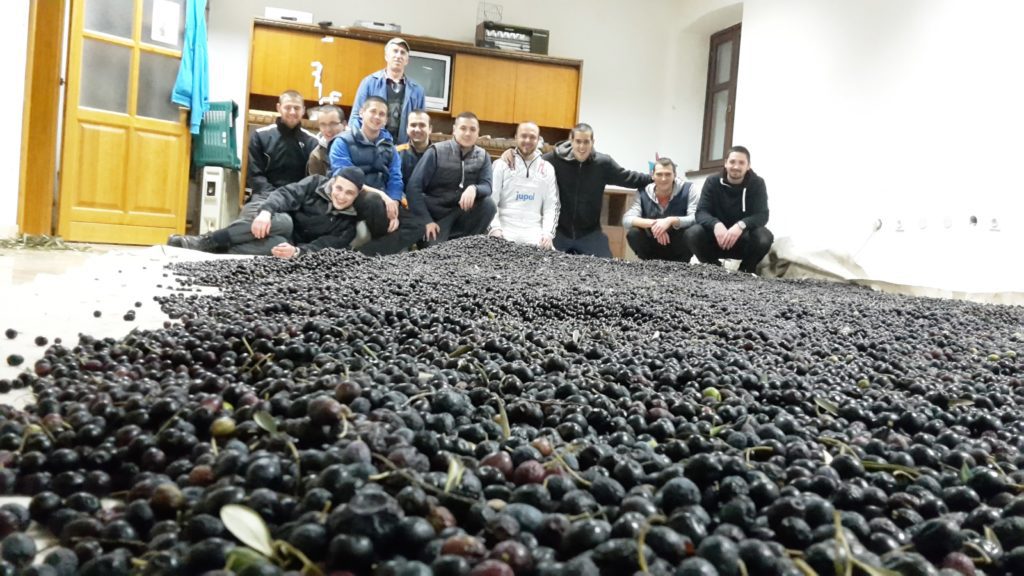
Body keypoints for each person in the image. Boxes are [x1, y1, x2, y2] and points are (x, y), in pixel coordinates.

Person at [507, 123, 651, 258]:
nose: (582, 147)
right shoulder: (554, 159)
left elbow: (629, 178)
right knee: (539, 262)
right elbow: (528, 164)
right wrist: (510, 154)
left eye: (586, 142)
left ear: (593, 142)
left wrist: (655, 178)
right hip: (558, 231)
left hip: (590, 234)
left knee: (607, 267)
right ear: (571, 140)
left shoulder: (603, 164)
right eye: (578, 141)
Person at [168, 167, 366, 258]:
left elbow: (323, 246)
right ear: (333, 183)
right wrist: (266, 212)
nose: (341, 196)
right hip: (281, 221)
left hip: (293, 243)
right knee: (283, 223)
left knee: (275, 246)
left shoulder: (348, 225)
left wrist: (298, 252)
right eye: (339, 188)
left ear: (356, 196)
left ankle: (217, 252)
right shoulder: (316, 183)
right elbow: (286, 194)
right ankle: (206, 241)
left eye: (349, 193)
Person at [330, 96, 423, 255]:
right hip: (355, 196)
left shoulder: (389, 147)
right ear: (362, 113)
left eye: (382, 114)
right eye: (373, 111)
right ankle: (387, 248)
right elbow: (344, 178)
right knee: (373, 200)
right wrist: (383, 196)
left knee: (418, 225)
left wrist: (394, 204)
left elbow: (395, 178)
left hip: (383, 200)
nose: (377, 117)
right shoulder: (342, 141)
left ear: (386, 120)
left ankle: (362, 254)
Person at [406, 112, 496, 245]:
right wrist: (426, 221)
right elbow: (413, 189)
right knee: (435, 253)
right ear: (454, 130)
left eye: (472, 129)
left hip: (462, 215)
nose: (467, 133)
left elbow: (487, 186)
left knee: (488, 205)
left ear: (478, 133)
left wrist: (474, 189)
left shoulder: (483, 156)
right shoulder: (436, 151)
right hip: (435, 218)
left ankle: (468, 244)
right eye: (463, 128)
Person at [684, 145, 774, 274]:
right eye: (732, 162)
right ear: (725, 163)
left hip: (742, 240)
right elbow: (701, 212)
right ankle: (713, 268)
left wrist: (741, 225)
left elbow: (762, 215)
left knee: (764, 237)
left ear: (748, 166)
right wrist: (716, 224)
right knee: (692, 233)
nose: (736, 166)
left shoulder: (757, 183)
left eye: (741, 163)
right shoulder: (712, 181)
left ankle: (745, 270)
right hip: (716, 238)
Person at [488, 121, 559, 248]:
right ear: (516, 137)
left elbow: (551, 206)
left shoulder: (548, 169)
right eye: (523, 136)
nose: (527, 140)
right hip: (504, 232)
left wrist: (547, 234)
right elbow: (491, 200)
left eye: (532, 137)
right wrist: (495, 228)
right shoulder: (501, 165)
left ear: (538, 140)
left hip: (535, 235)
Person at [350, 38, 425, 145]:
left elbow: (421, 123)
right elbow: (356, 116)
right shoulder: (369, 82)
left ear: (407, 60)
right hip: (372, 145)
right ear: (386, 56)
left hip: (403, 148)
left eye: (403, 52)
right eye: (395, 51)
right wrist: (359, 143)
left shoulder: (417, 90)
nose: (398, 55)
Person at [622, 157, 698, 263]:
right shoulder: (643, 192)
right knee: (634, 232)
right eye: (659, 174)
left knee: (694, 231)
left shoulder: (689, 189)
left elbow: (695, 217)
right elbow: (627, 220)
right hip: (651, 246)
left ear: (675, 175)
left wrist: (671, 220)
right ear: (652, 176)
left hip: (679, 247)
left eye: (668, 174)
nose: (663, 179)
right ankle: (648, 264)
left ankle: (682, 266)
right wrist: (655, 225)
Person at [247, 90, 318, 203]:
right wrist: (275, 198)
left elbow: (313, 180)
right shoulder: (260, 136)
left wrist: (293, 197)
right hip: (264, 197)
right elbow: (254, 175)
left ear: (303, 110)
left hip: (298, 199)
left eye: (297, 108)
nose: (292, 112)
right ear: (279, 108)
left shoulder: (312, 142)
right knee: (249, 215)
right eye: (287, 107)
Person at [306, 105, 347, 177]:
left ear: (344, 124)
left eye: (333, 124)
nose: (328, 130)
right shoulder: (317, 156)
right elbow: (318, 183)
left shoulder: (357, 145)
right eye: (323, 124)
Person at [396, 110, 432, 183]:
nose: (417, 130)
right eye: (413, 125)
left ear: (430, 129)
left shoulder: (439, 155)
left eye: (422, 125)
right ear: (407, 128)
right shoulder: (396, 153)